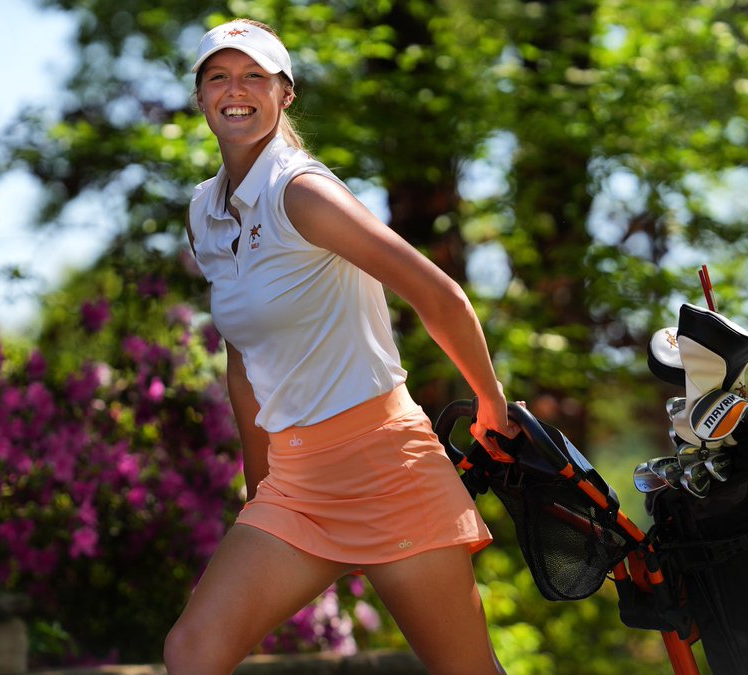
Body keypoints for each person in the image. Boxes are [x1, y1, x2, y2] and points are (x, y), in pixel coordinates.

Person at [163, 19, 517, 674]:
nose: (234, 91)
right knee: (192, 651)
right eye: (218, 76)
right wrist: (260, 488)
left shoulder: (302, 192)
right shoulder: (205, 212)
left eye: (254, 77)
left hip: (386, 466)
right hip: (298, 483)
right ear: (200, 96)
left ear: (284, 93)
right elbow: (243, 359)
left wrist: (491, 403)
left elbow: (437, 293)